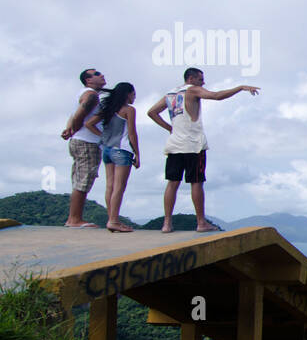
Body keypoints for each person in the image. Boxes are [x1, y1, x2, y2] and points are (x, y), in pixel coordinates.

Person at [146, 67, 259, 233]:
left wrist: (169, 128)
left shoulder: (170, 94)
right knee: (196, 182)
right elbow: (216, 96)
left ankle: (167, 224)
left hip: (174, 144)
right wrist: (240, 87)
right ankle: (201, 223)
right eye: (201, 79)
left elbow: (152, 112)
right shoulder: (193, 90)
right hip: (193, 144)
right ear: (191, 78)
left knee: (172, 183)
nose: (203, 82)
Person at [83, 82, 140, 233]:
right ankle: (113, 221)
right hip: (121, 151)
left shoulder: (107, 108)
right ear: (128, 94)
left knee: (110, 186)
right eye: (133, 94)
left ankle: (111, 219)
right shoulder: (129, 110)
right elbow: (132, 133)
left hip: (107, 150)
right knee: (119, 187)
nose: (134, 97)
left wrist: (102, 136)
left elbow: (89, 124)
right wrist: (137, 154)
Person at [60, 68, 108, 228]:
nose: (101, 75)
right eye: (96, 74)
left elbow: (73, 115)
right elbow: (79, 115)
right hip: (87, 142)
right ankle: (74, 219)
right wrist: (75, 128)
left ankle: (73, 218)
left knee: (79, 178)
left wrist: (71, 129)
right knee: (84, 179)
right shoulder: (91, 95)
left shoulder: (85, 93)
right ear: (88, 80)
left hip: (79, 141)